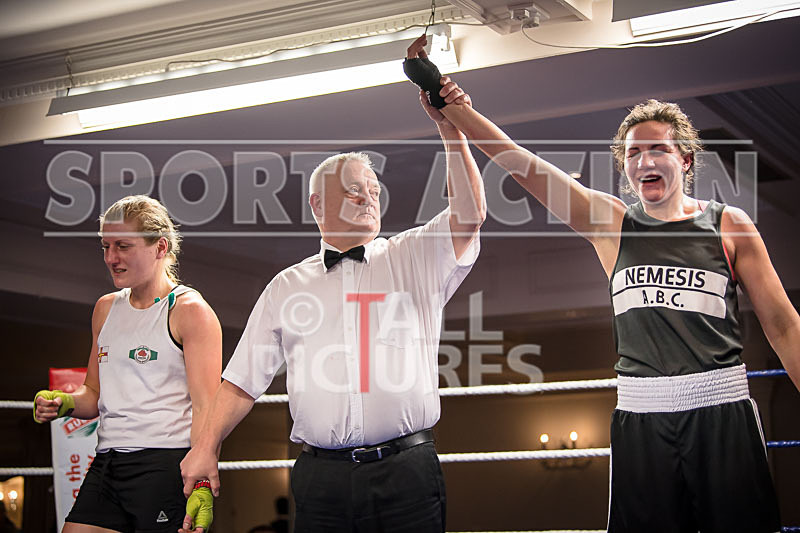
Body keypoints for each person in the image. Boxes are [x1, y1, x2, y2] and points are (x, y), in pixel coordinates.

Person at [403, 35, 800, 532]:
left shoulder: (728, 224)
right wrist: (451, 106)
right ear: (625, 169)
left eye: (659, 149)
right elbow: (521, 164)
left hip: (721, 412)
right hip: (641, 417)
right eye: (634, 154)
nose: (645, 161)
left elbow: (784, 327)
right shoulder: (610, 223)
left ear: (685, 160)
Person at [179, 81, 485, 532]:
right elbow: (241, 383)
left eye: (374, 190)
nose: (368, 197)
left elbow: (470, 213)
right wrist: (204, 447)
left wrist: (450, 129)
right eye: (353, 190)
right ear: (317, 204)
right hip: (320, 478)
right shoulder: (287, 285)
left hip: (407, 471)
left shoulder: (414, 255)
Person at [32, 195, 222, 533]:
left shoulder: (190, 311)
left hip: (164, 464)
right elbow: (93, 395)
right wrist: (63, 402)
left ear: (160, 247)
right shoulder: (105, 309)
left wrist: (203, 484)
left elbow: (207, 408)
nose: (111, 258)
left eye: (123, 246)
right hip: (107, 462)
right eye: (105, 246)